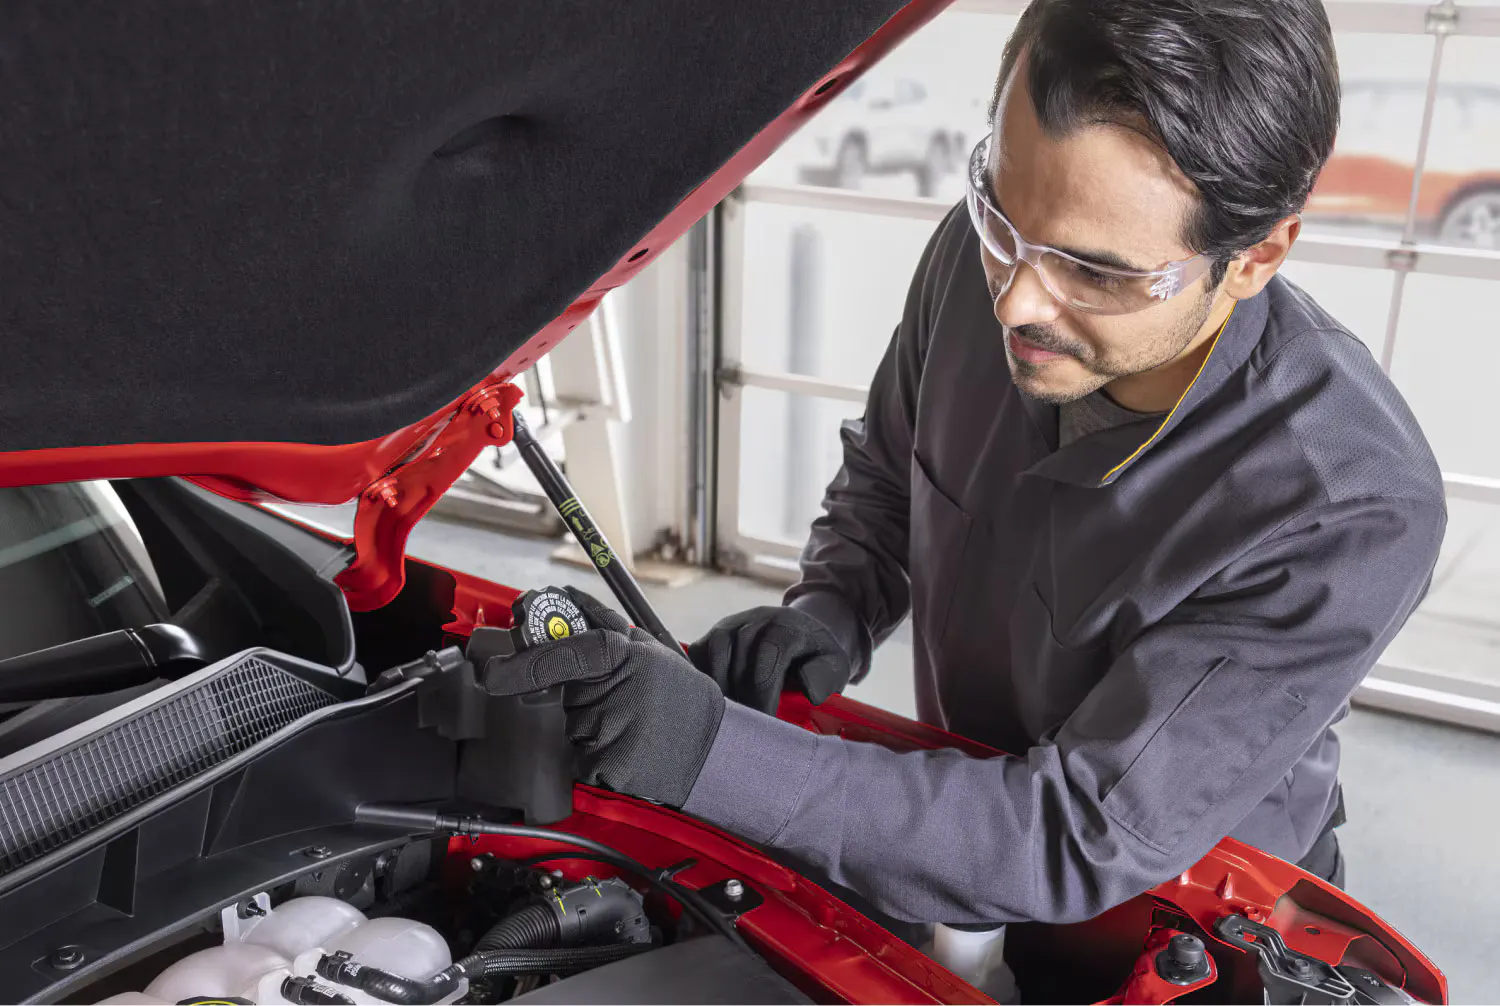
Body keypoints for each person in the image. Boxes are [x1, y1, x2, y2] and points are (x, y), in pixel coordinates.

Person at [487, 0, 1446, 926]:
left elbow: (1078, 835)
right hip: (953, 820)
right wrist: (831, 609)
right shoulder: (975, 258)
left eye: (1097, 272)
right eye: (1002, 211)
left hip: (1182, 915)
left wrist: (705, 750)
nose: (1019, 302)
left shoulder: (1349, 505)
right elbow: (889, 476)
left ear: (1256, 256)